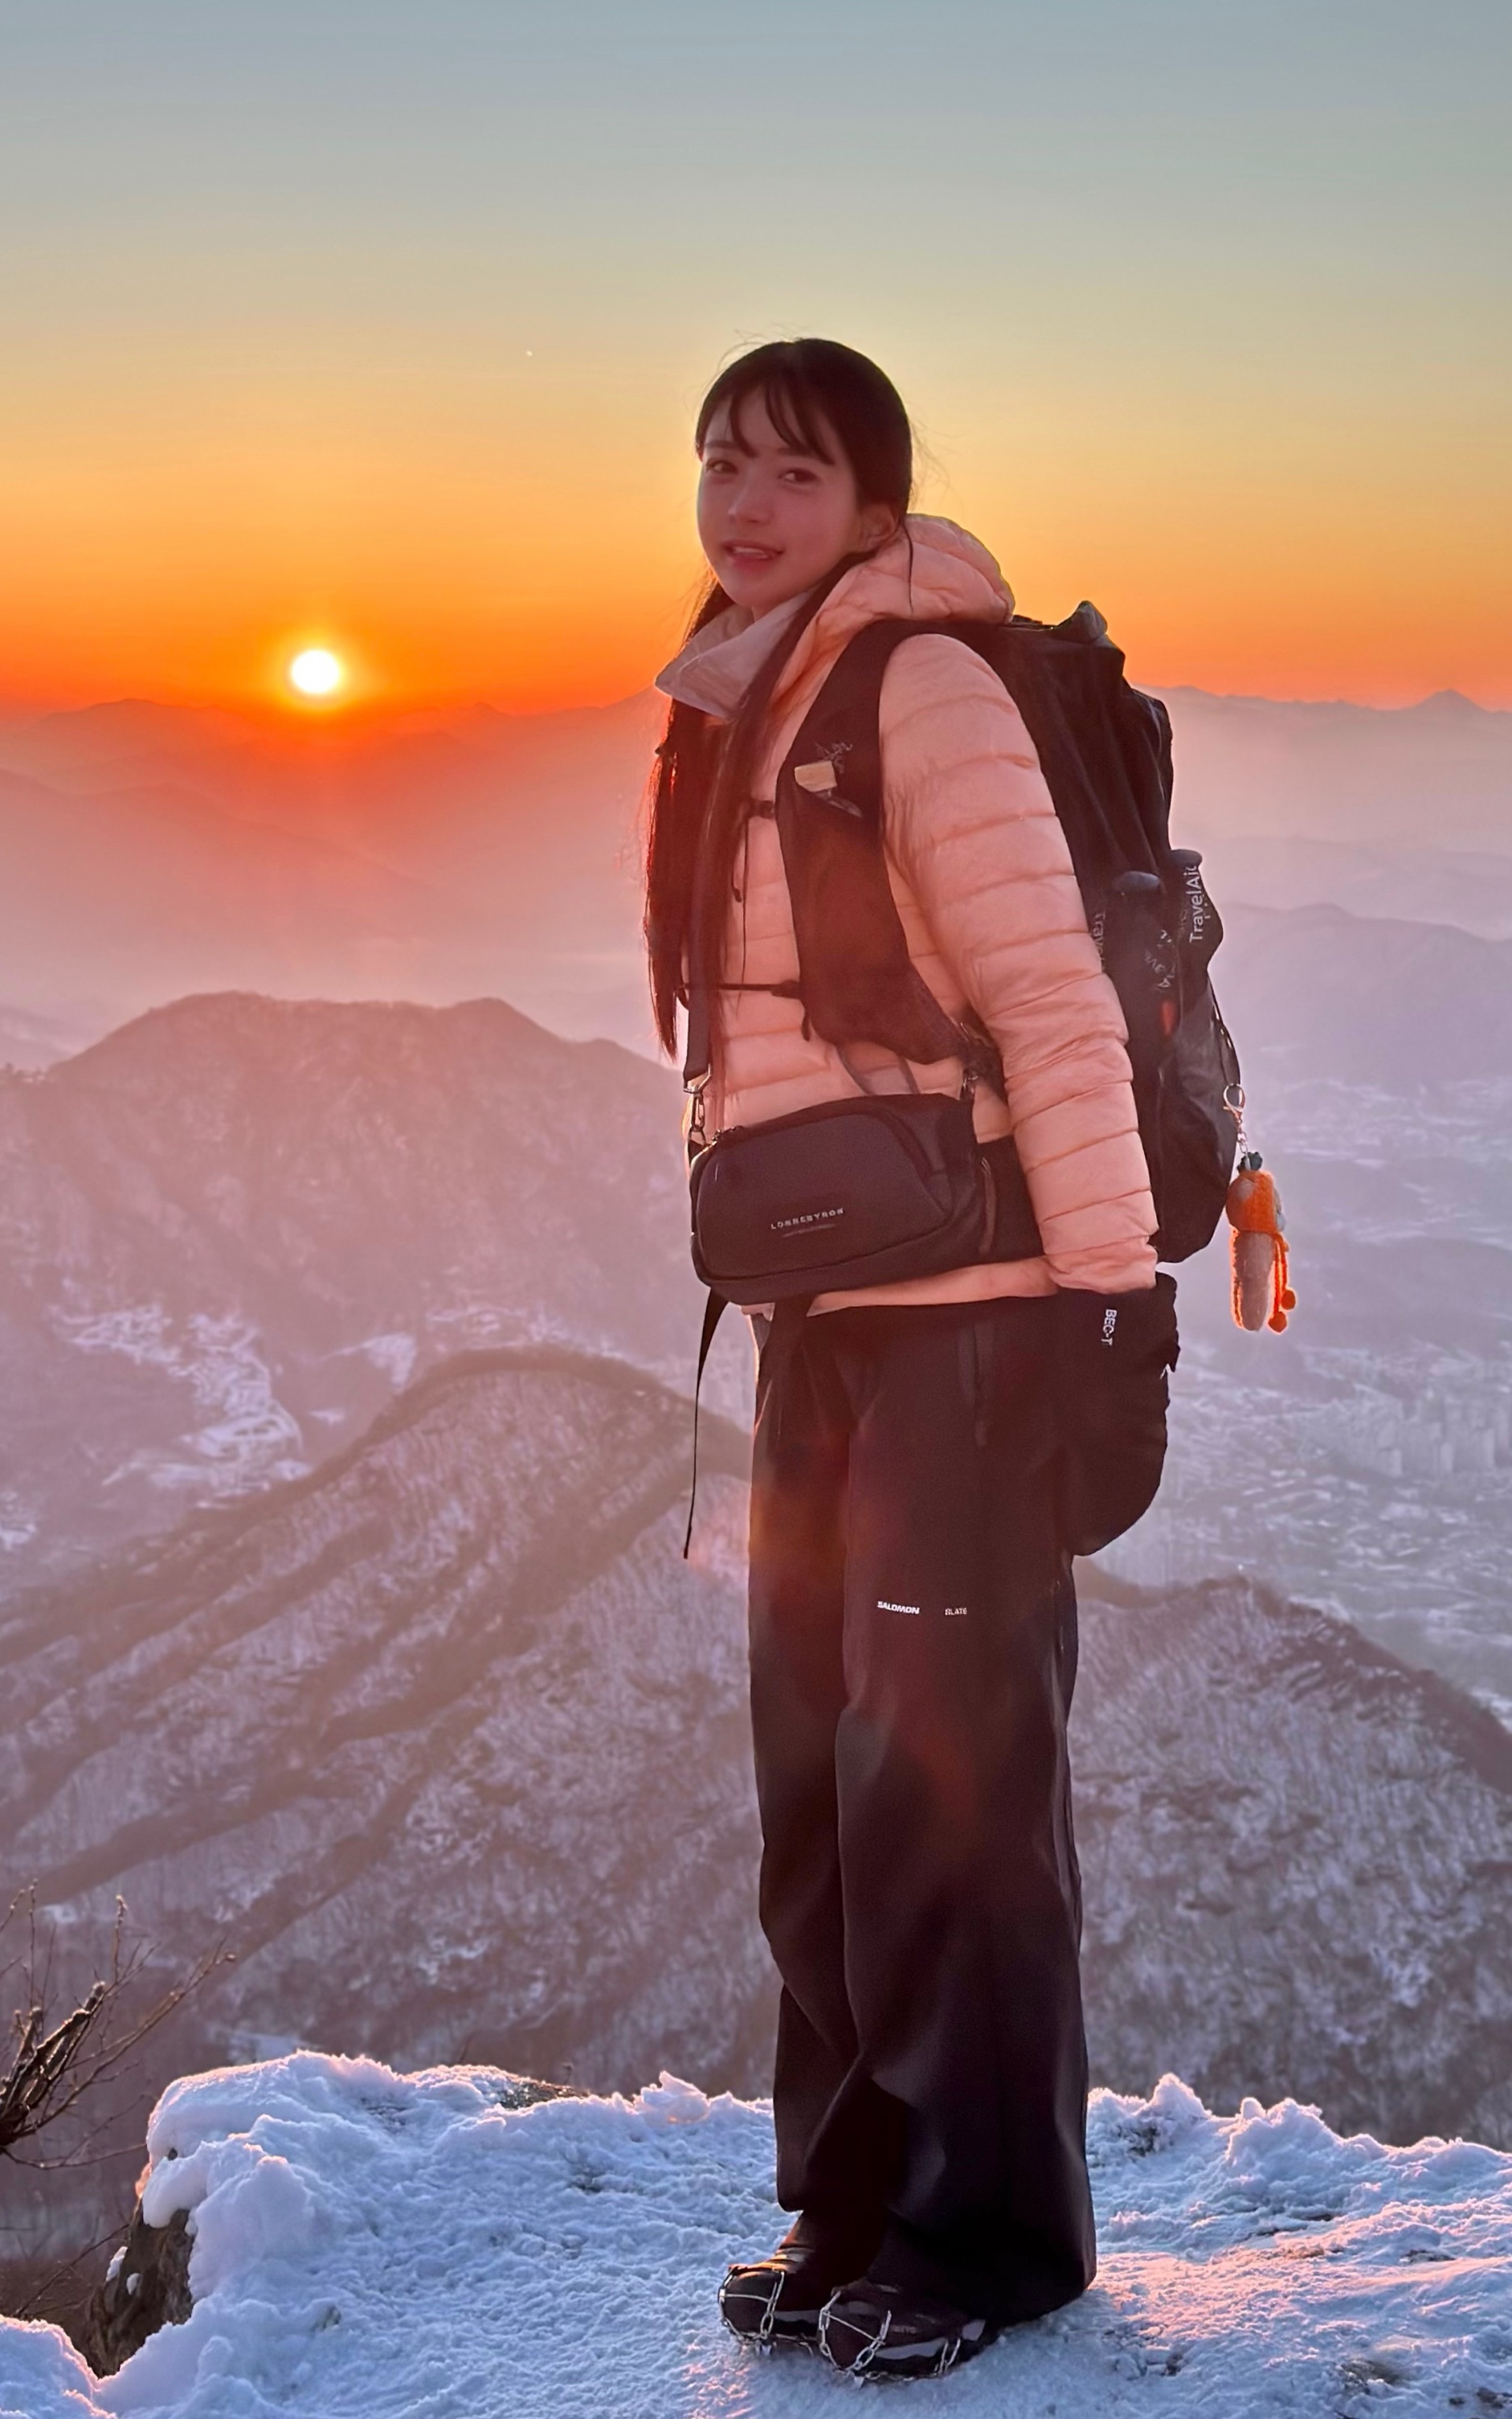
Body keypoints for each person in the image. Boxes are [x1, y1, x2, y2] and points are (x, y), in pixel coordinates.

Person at [645, 338, 1161, 2380]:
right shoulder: (731, 690)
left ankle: (991, 2234)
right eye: (716, 463)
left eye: (789, 468)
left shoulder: (922, 684)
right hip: (828, 1321)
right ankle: (852, 2189)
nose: (742, 501)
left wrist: (1110, 1306)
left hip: (980, 1320)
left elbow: (1051, 992)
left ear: (874, 500)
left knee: (953, 1786)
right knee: (820, 1776)